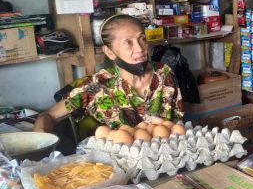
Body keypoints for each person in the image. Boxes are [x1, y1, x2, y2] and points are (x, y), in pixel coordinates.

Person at [34, 15, 183, 133]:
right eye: (128, 42)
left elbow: (177, 121)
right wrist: (40, 138)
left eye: (142, 39)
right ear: (109, 52)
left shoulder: (163, 73)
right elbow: (49, 116)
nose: (140, 48)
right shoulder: (99, 85)